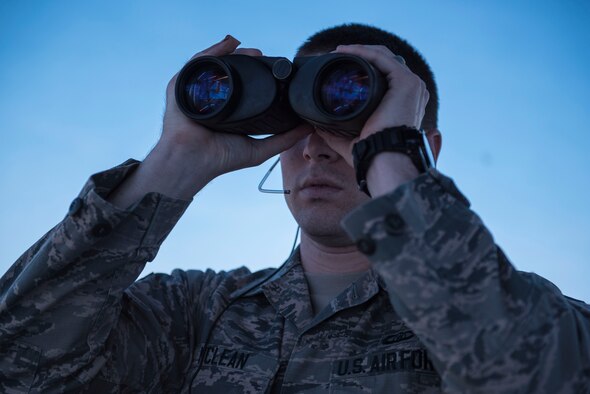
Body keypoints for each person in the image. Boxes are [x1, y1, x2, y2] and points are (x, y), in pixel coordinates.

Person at [1, 23, 589, 393]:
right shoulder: (194, 312)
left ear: (423, 149)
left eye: (350, 122)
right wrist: (176, 158)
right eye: (302, 121)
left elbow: (524, 372)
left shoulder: (536, 317)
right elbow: (21, 366)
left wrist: (387, 156)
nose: (316, 146)